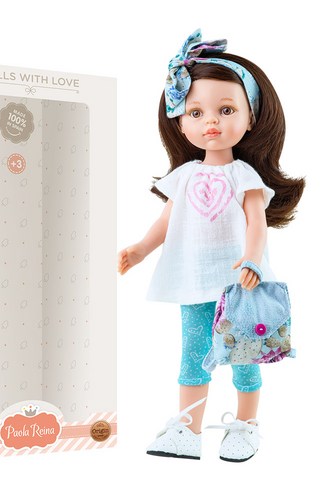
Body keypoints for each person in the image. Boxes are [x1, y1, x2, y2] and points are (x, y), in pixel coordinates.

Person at [118, 29, 305, 462]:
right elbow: (167, 220)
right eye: (196, 112)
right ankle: (188, 428)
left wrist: (252, 259)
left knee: (244, 356)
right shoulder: (185, 176)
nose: (211, 122)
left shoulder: (243, 175)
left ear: (251, 117)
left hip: (240, 285)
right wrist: (140, 249)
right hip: (194, 281)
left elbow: (256, 222)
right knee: (193, 354)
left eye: (226, 109)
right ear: (180, 121)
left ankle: (246, 425)